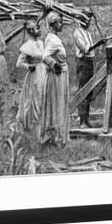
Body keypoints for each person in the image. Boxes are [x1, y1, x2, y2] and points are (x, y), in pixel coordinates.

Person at [40, 11, 70, 146]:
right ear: (52, 24)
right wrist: (55, 65)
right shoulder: (52, 39)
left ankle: (57, 136)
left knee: (59, 104)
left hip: (60, 76)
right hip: (57, 77)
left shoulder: (53, 38)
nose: (61, 24)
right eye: (59, 22)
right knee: (57, 105)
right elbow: (45, 56)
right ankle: (55, 138)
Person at [73, 8, 105, 128]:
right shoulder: (77, 33)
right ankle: (82, 121)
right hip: (83, 63)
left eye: (90, 19)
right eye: (87, 19)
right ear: (81, 19)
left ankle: (86, 120)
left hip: (90, 62)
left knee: (89, 91)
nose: (89, 22)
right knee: (83, 90)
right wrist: (98, 43)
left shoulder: (87, 32)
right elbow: (86, 49)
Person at [15, 21, 46, 137]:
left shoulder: (40, 43)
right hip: (35, 76)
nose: (39, 30)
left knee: (43, 99)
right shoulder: (28, 46)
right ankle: (32, 129)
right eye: (37, 29)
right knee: (34, 101)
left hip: (44, 72)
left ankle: (43, 129)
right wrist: (29, 66)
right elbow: (19, 63)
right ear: (31, 31)